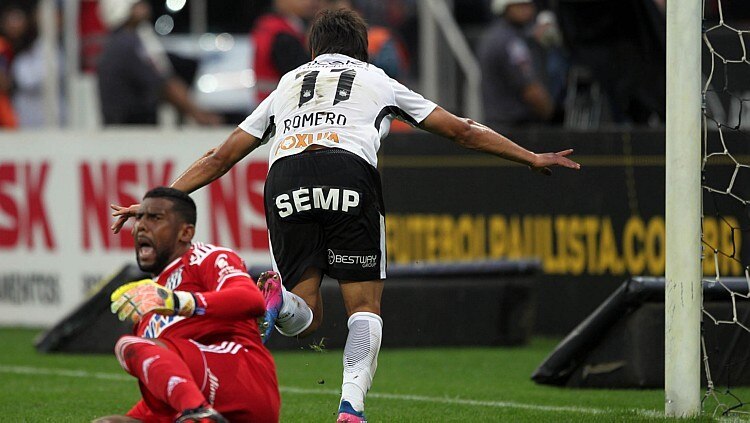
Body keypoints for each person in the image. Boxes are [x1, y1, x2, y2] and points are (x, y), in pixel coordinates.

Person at [111, 9, 579, 422]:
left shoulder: (288, 84)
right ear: (362, 50)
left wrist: (155, 203)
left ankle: (280, 299)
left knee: (307, 316)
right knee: (364, 308)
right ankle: (350, 408)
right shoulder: (377, 79)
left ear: (313, 49)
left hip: (286, 177)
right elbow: (462, 130)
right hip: (346, 170)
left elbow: (220, 156)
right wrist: (530, 157)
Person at [96, 187, 279, 423]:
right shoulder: (149, 303)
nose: (141, 225)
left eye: (155, 218)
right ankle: (197, 413)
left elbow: (251, 299)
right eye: (139, 217)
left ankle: (199, 415)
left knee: (127, 345)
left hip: (242, 380)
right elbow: (174, 378)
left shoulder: (205, 258)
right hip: (199, 398)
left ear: (185, 232)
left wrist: (178, 301)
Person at [96, 0, 221, 126]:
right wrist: (199, 115)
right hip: (131, 131)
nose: (145, 7)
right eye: (137, 5)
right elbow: (165, 84)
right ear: (123, 10)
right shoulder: (127, 44)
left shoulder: (118, 42)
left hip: (123, 129)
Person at [477, 0, 555, 130]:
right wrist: (552, 114)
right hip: (514, 126)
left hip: (500, 122)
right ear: (505, 7)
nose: (527, 10)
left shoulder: (498, 35)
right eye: (520, 5)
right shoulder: (510, 42)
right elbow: (530, 90)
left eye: (528, 5)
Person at [251, 0, 319, 103]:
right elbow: (302, 73)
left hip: (268, 103)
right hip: (282, 104)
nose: (310, 2)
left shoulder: (268, 24)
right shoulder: (281, 34)